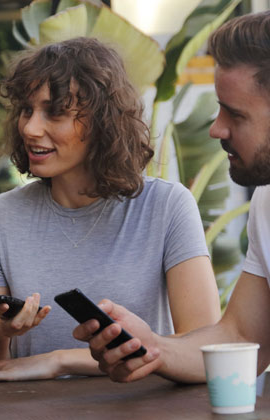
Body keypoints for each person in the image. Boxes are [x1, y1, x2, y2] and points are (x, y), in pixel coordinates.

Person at [0, 37, 221, 383]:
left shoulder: (167, 206)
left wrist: (61, 360)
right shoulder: (3, 215)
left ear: (103, 121)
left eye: (54, 112)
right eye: (27, 110)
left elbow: (202, 350)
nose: (30, 128)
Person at [74, 11, 270, 384]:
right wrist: (151, 347)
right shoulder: (267, 202)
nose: (216, 128)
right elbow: (242, 337)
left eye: (235, 114)